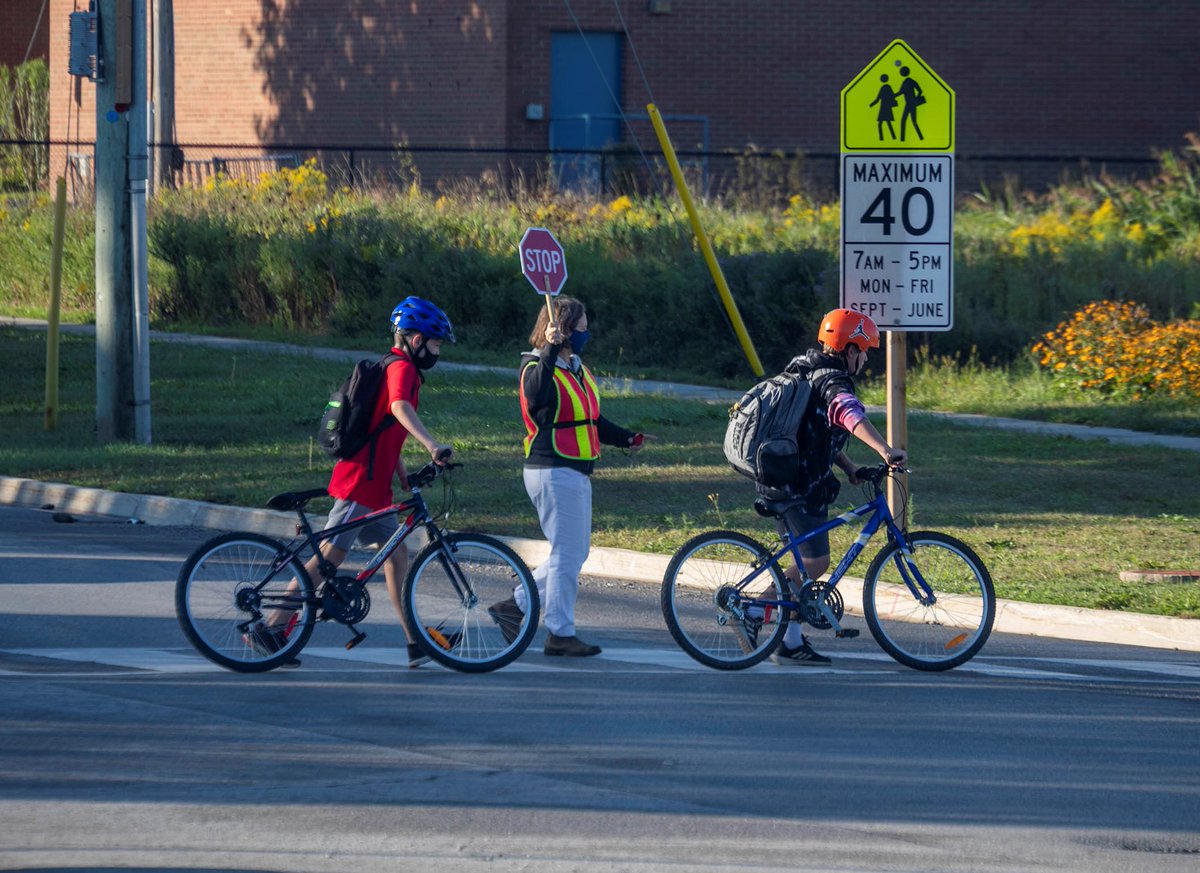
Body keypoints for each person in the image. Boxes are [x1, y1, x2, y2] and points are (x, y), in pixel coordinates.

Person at [247, 296, 456, 668]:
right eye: (436, 344)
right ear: (416, 340)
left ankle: (415, 641)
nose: (437, 352)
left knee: (397, 554)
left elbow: (384, 429)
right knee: (330, 556)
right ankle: (272, 626)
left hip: (376, 486)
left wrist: (401, 471)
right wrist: (432, 444)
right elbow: (398, 408)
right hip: (359, 482)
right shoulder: (402, 369)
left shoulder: (397, 366)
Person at [489, 296, 648, 657]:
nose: (586, 334)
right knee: (566, 554)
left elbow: (592, 419)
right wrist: (548, 348)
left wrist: (627, 438)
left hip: (574, 470)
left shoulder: (577, 368)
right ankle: (559, 633)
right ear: (561, 330)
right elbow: (536, 397)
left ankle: (516, 605)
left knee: (575, 553)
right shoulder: (536, 366)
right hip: (551, 469)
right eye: (581, 328)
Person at [755, 308, 907, 666]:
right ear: (849, 348)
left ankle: (790, 643)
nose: (865, 359)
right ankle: (753, 611)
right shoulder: (832, 381)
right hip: (797, 486)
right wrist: (884, 450)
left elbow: (814, 433)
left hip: (782, 477)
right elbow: (847, 413)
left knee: (802, 566)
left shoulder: (805, 369)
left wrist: (850, 467)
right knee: (815, 562)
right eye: (863, 351)